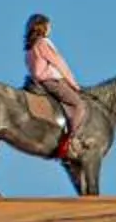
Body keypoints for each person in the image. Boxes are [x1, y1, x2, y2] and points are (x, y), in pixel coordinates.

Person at [24, 13, 84, 155]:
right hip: (51, 82)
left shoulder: (29, 48)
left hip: (37, 82)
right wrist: (73, 83)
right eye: (49, 25)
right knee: (79, 105)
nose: (50, 28)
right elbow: (59, 63)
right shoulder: (43, 42)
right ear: (42, 27)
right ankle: (70, 142)